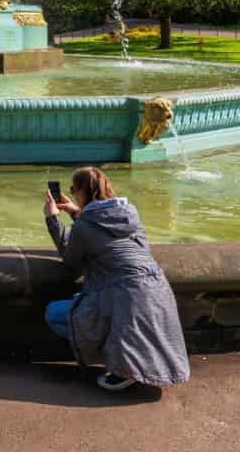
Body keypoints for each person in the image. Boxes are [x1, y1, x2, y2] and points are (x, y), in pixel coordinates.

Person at [43, 167, 191, 392]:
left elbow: (71, 257)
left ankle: (124, 367)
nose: (72, 194)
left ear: (82, 191)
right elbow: (106, 232)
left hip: (124, 296)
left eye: (74, 190)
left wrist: (53, 218)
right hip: (158, 291)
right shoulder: (131, 215)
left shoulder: (84, 227)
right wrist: (76, 212)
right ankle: (134, 362)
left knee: (54, 314)